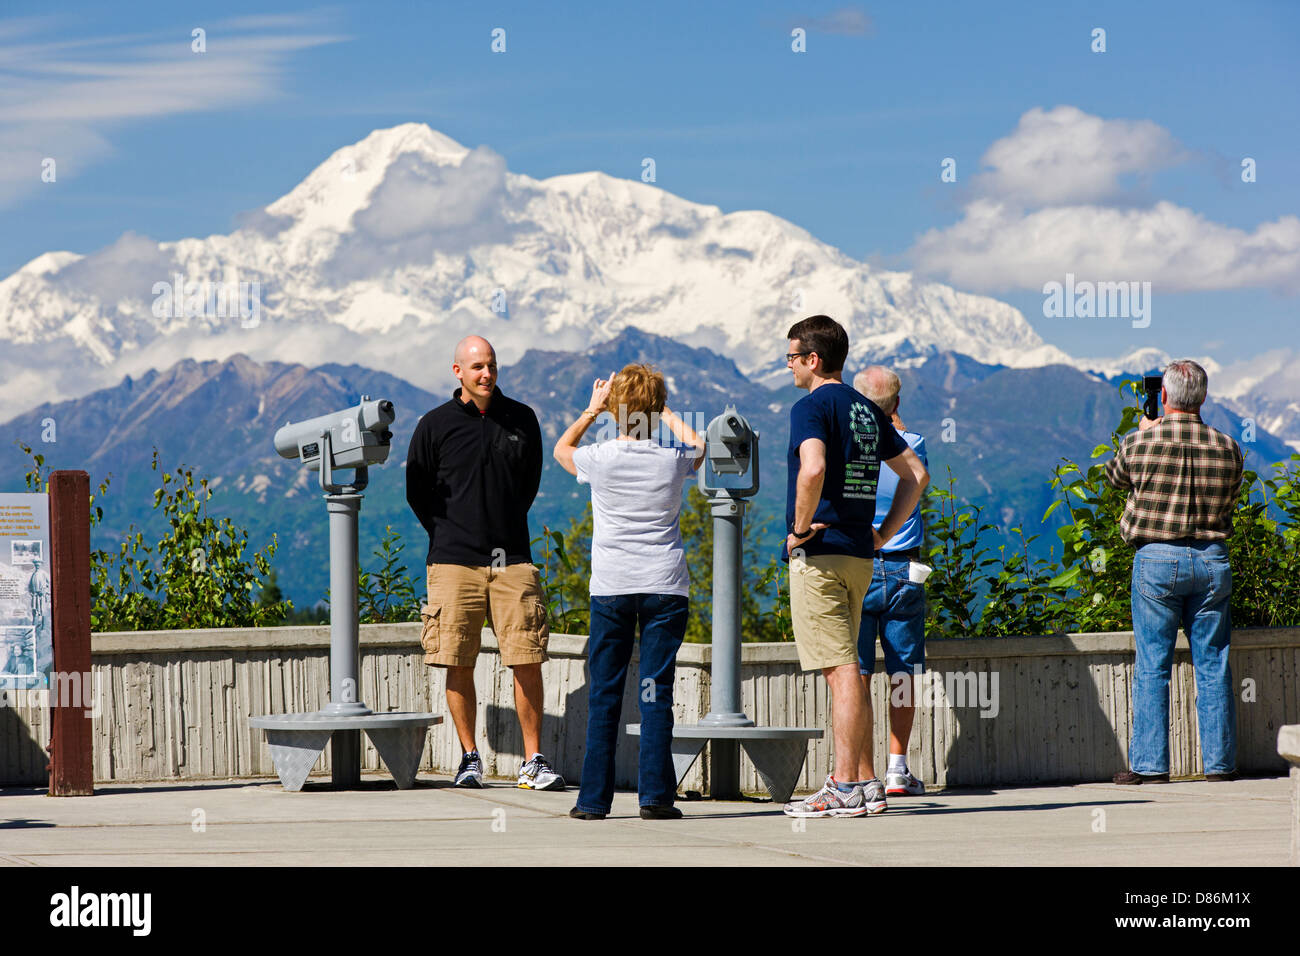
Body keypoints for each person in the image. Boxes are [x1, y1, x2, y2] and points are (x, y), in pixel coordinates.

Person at [780, 316, 929, 818]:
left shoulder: (811, 407)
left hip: (820, 555)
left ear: (813, 359)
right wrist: (884, 534)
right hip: (862, 557)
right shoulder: (867, 409)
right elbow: (917, 474)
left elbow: (814, 467)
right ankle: (866, 784)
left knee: (844, 670)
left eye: (792, 357)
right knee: (852, 669)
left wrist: (800, 528)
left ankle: (843, 785)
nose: (789, 366)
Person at [405, 335, 563, 791]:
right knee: (457, 659)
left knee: (527, 657)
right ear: (458, 371)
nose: (486, 374)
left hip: (513, 558)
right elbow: (418, 491)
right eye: (476, 367)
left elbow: (528, 485)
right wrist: (450, 534)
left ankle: (533, 761)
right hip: (453, 561)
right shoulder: (433, 425)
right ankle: (469, 757)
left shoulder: (522, 419)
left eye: (491, 365)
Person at [553, 364, 705, 821]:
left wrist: (591, 409)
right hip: (665, 586)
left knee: (605, 693)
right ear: (655, 410)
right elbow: (701, 447)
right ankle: (656, 797)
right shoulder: (672, 459)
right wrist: (666, 409)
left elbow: (562, 448)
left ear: (614, 410)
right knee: (656, 691)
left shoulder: (599, 457)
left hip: (613, 587)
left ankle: (593, 802)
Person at [1105, 360, 1244, 785]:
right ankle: (1219, 765)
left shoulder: (1139, 442)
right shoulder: (1229, 446)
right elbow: (1233, 498)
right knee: (1213, 663)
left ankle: (1150, 765)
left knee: (1153, 665)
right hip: (1212, 558)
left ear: (1163, 397)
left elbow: (1113, 479)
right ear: (1203, 397)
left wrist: (1145, 433)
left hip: (1157, 560)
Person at [852, 366, 929, 797]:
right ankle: (898, 767)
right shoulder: (913, 444)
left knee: (857, 675)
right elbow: (913, 473)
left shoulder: (848, 449)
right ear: (897, 406)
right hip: (903, 568)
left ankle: (863, 775)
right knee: (902, 673)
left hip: (858, 565)